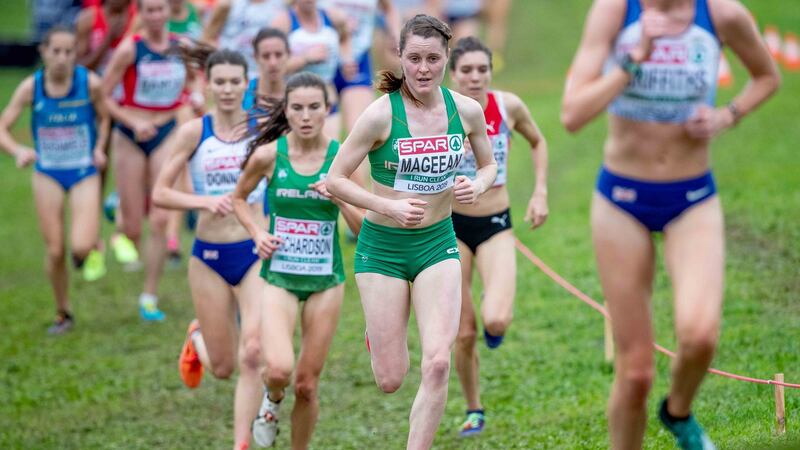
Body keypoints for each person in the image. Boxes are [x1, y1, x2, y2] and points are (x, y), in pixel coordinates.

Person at [561, 0, 780, 448]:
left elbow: (767, 76)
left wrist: (726, 116)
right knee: (636, 371)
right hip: (621, 200)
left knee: (700, 336)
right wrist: (632, 59)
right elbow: (572, 114)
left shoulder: (722, 15)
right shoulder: (614, 13)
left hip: (693, 196)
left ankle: (678, 411)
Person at [325, 15, 497, 449]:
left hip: (437, 243)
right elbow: (335, 180)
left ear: (446, 59)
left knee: (438, 363)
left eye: (433, 59)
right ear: (399, 57)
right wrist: (387, 205)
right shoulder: (379, 115)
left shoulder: (467, 111)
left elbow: (489, 164)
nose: (423, 68)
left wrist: (474, 184)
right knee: (390, 379)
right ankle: (379, 332)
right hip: (381, 248)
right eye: (415, 58)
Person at [232, 72, 364, 448]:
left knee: (306, 384)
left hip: (326, 281)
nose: (306, 116)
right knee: (278, 369)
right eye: (297, 108)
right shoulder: (269, 155)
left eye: (314, 107)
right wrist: (258, 233)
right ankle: (271, 400)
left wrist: (341, 198)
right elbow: (239, 198)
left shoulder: (343, 157)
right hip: (280, 278)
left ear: (327, 110)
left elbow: (364, 226)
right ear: (286, 111)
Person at [152, 49, 266, 450]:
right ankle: (197, 337)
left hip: (255, 251)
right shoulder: (193, 132)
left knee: (253, 351)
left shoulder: (262, 129)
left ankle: (242, 442)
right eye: (220, 81)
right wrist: (204, 202)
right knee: (222, 368)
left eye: (236, 81)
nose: (228, 88)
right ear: (208, 84)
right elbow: (160, 192)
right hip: (209, 257)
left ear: (245, 83)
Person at [448, 35, 549, 437]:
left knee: (496, 319)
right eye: (466, 71)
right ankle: (474, 409)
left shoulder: (508, 106)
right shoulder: (439, 113)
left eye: (482, 69)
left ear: (491, 70)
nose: (475, 77)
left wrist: (540, 191)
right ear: (452, 75)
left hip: (495, 224)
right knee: (464, 332)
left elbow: (538, 141)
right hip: (449, 227)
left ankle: (494, 325)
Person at [0, 26, 110, 333]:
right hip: (47, 172)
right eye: (56, 51)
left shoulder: (90, 83)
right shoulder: (30, 87)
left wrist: (100, 148)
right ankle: (63, 312)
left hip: (83, 171)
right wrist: (18, 150)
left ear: (76, 54)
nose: (62, 58)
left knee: (80, 247)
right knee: (55, 250)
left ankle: (87, 248)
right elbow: (3, 127)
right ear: (44, 52)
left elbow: (105, 117)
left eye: (69, 52)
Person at [102, 0, 190, 321]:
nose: (155, 16)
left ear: (169, 12)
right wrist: (132, 121)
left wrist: (191, 97)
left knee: (161, 219)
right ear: (141, 14)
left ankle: (149, 295)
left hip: (165, 131)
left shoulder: (181, 47)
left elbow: (194, 83)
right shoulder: (130, 49)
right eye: (149, 10)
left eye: (160, 9)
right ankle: (121, 211)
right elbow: (103, 93)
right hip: (130, 134)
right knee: (133, 227)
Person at [270, 0, 356, 139]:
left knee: (330, 155)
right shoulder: (283, 22)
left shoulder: (333, 17)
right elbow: (273, 68)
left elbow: (345, 38)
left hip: (327, 97)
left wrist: (346, 60)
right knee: (295, 156)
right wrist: (306, 58)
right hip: (294, 101)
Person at [203, 0, 284, 78]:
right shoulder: (227, 4)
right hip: (229, 71)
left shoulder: (279, 7)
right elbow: (206, 38)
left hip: (261, 75)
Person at [241, 27, 290, 115]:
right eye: (266, 56)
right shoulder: (241, 95)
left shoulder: (298, 96)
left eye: (278, 55)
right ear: (255, 57)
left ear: (288, 54)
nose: (273, 63)